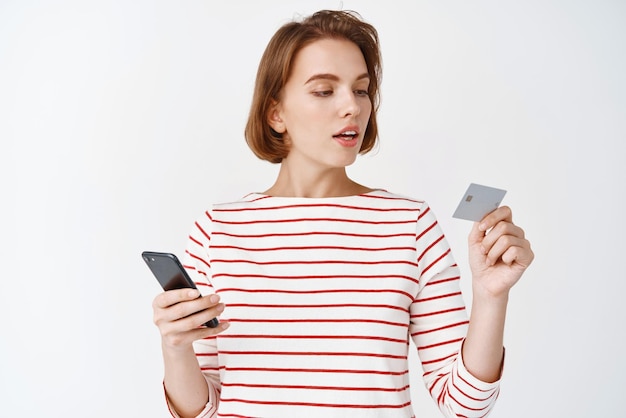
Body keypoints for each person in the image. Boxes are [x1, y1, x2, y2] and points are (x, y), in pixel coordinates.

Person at [151, 9, 534, 418]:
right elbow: (201, 411)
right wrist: (175, 348)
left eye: (362, 90)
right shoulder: (217, 230)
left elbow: (465, 405)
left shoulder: (410, 225)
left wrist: (491, 298)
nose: (352, 106)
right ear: (275, 113)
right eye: (323, 90)